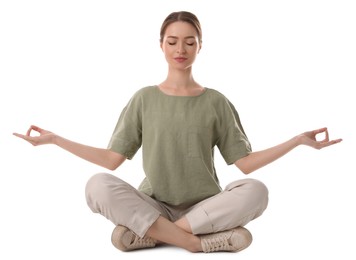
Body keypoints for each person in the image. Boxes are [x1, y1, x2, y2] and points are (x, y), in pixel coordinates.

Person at [13, 11, 342, 253]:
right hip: (154, 204)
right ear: (161, 45)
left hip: (206, 208)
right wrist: (55, 140)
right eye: (172, 41)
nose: (180, 48)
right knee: (97, 185)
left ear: (200, 46)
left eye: (189, 41)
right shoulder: (144, 98)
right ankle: (198, 244)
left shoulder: (216, 102)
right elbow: (112, 160)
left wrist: (297, 141)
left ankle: (152, 236)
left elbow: (245, 164)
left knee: (256, 190)